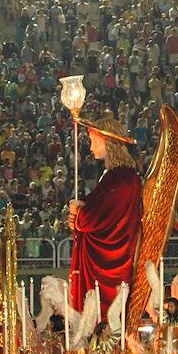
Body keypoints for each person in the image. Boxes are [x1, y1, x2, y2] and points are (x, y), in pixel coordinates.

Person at [68, 115, 142, 319]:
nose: (91, 148)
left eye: (95, 142)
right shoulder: (116, 176)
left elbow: (98, 217)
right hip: (103, 259)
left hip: (110, 265)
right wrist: (81, 209)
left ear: (109, 143)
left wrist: (80, 215)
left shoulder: (122, 179)